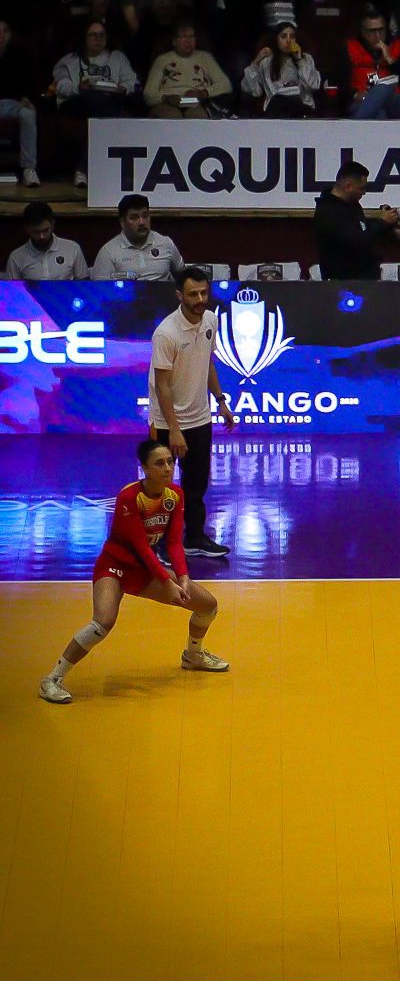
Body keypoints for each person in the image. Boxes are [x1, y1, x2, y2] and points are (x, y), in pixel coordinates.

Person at [38, 438, 229, 705]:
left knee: (208, 606)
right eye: (159, 463)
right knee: (102, 623)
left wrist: (183, 578)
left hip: (145, 571)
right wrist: (168, 582)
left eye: (170, 462)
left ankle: (193, 655)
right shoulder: (129, 497)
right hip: (115, 567)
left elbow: (174, 542)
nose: (167, 468)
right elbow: (141, 546)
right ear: (145, 469)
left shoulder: (175, 495)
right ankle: (52, 679)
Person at [148, 266, 235, 558]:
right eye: (193, 294)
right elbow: (162, 385)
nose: (200, 299)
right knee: (161, 483)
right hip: (167, 422)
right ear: (179, 295)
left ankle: (194, 538)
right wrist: (174, 430)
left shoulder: (210, 320)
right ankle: (159, 545)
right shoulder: (166, 333)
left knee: (197, 483)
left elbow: (207, 362)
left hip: (200, 417)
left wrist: (220, 401)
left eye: (203, 293)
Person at [53, 18, 138, 187]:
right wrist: (78, 87)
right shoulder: (69, 61)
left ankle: (82, 169)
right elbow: (61, 86)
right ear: (84, 38)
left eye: (102, 35)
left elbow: (132, 81)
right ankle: (86, 167)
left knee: (103, 105)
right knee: (99, 100)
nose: (98, 39)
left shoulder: (117, 58)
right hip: (76, 103)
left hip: (108, 102)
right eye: (93, 35)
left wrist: (123, 88)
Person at [313, 160, 400, 280]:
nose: (364, 193)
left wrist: (394, 234)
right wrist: (382, 222)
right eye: (361, 188)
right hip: (342, 282)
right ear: (348, 186)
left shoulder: (353, 205)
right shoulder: (328, 212)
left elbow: (365, 231)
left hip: (365, 279)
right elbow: (355, 240)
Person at [143, 17, 232, 118]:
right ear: (174, 41)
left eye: (191, 36)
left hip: (195, 102)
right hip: (167, 102)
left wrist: (203, 93)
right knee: (172, 116)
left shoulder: (205, 57)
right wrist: (166, 98)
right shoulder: (162, 60)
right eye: (183, 37)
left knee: (198, 116)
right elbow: (148, 93)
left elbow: (226, 85)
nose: (188, 41)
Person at [92, 194, 184, 281]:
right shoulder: (108, 252)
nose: (141, 222)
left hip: (163, 292)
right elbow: (100, 289)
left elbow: (183, 275)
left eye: (145, 216)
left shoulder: (165, 243)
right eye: (134, 218)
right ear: (123, 222)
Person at [241, 21, 320, 117]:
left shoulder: (306, 59)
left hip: (301, 107)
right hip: (276, 110)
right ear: (276, 40)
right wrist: (256, 62)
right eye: (283, 36)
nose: (288, 41)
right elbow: (254, 91)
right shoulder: (267, 62)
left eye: (292, 37)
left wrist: (299, 60)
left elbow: (314, 85)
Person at [343, 9, 400, 119]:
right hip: (360, 102)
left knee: (384, 86)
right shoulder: (350, 48)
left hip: (393, 102)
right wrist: (354, 94)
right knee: (379, 114)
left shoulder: (398, 46)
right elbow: (340, 81)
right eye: (372, 31)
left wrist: (389, 59)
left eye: (381, 30)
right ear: (363, 32)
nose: (378, 35)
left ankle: (353, 125)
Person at [0, 16, 40, 187]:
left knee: (28, 113)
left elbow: (30, 84)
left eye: (5, 32)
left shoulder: (20, 55)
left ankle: (29, 168)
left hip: (13, 104)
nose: (1, 36)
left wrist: (27, 97)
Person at [6, 201, 89, 280]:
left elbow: (85, 285)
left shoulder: (72, 249)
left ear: (52, 224)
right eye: (36, 232)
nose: (42, 236)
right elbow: (10, 289)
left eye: (45, 230)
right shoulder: (16, 258)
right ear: (27, 229)